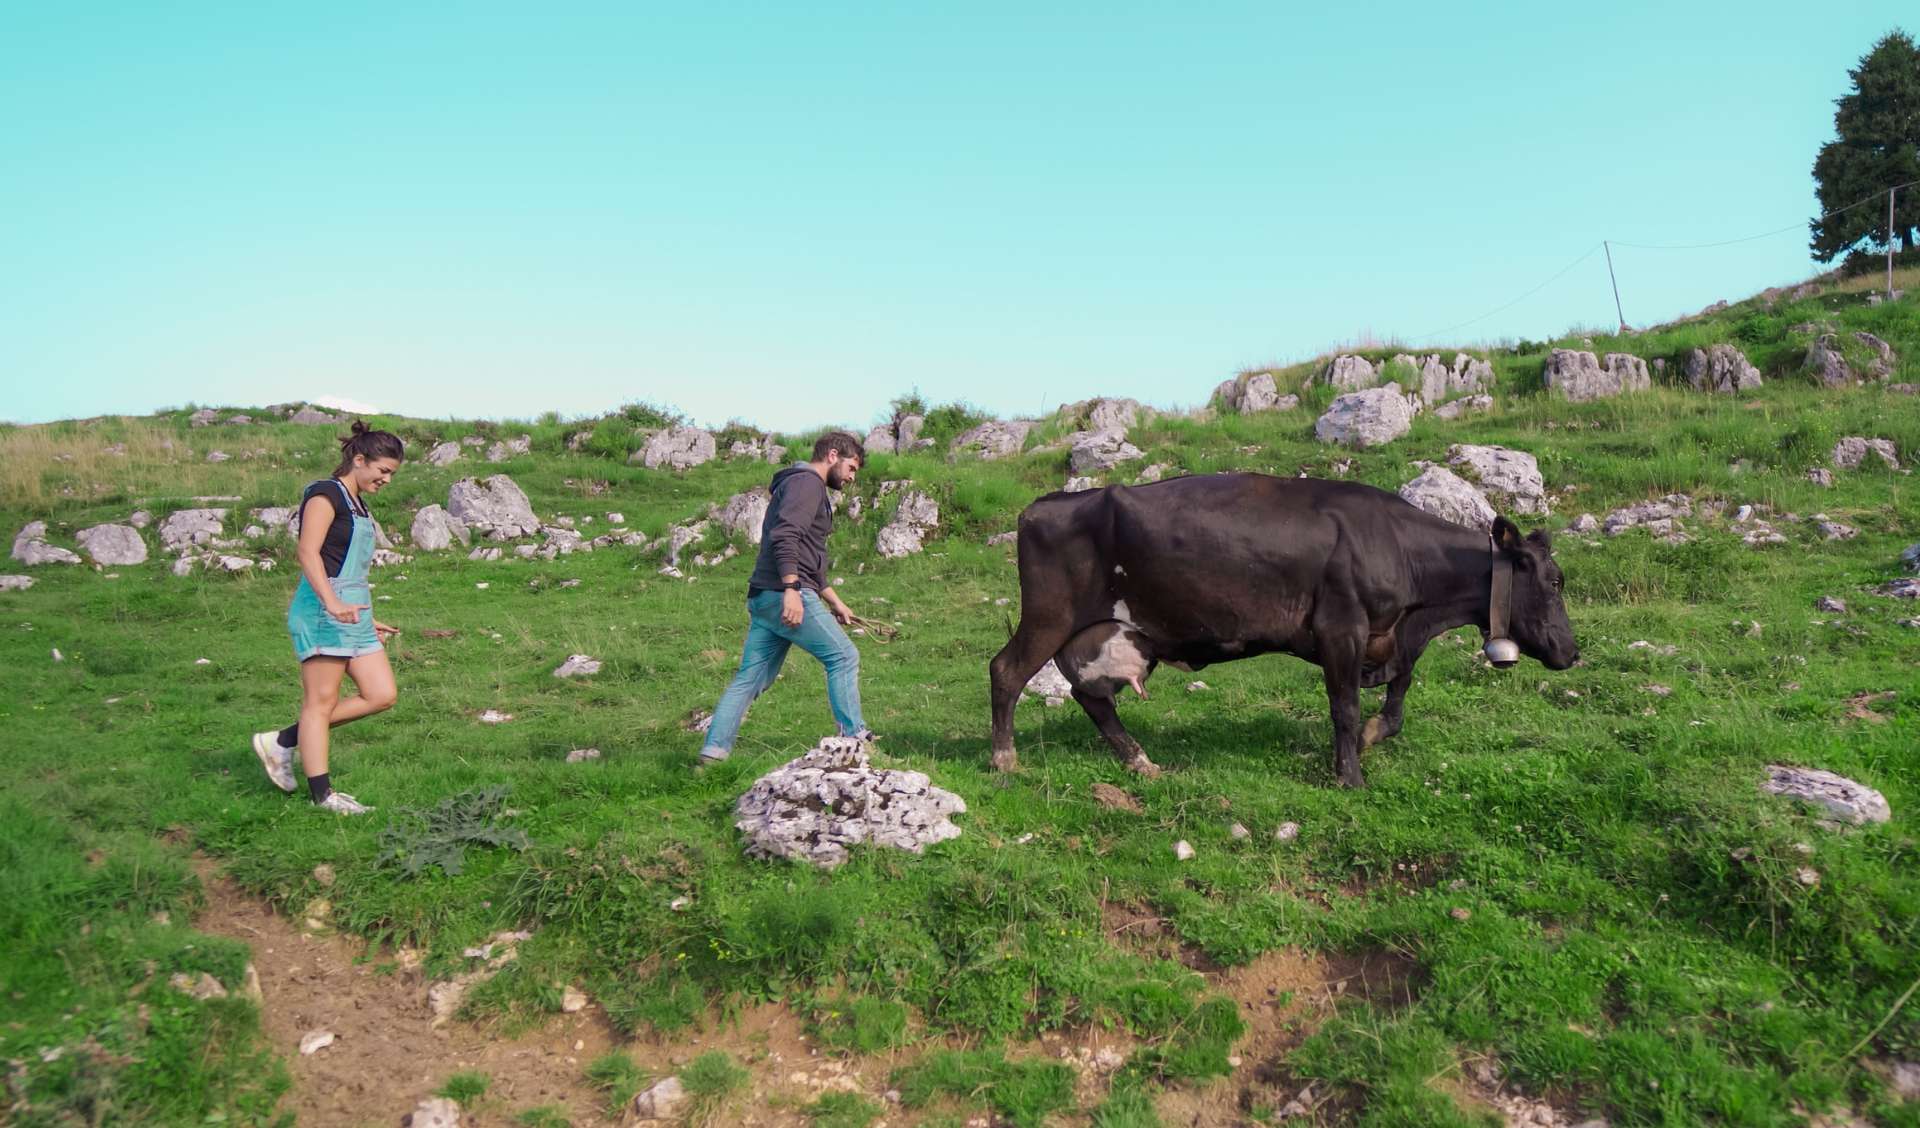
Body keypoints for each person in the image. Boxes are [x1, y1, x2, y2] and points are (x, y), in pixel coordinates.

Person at [251, 421, 404, 813]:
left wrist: (368, 618)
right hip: (323, 610)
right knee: (320, 703)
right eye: (382, 470)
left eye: (392, 474)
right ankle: (323, 796)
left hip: (354, 613)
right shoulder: (325, 494)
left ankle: (284, 740)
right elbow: (308, 552)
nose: (386, 479)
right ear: (358, 459)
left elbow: (348, 567)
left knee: (382, 694)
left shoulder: (358, 504)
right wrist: (333, 604)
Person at [697, 431, 875, 764]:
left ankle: (713, 753)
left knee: (750, 679)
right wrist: (791, 590)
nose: (852, 477)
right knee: (844, 657)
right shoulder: (807, 485)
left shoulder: (797, 484)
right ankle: (854, 740)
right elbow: (786, 536)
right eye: (852, 468)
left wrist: (835, 601)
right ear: (833, 455)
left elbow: (808, 555)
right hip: (785, 594)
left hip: (764, 596)